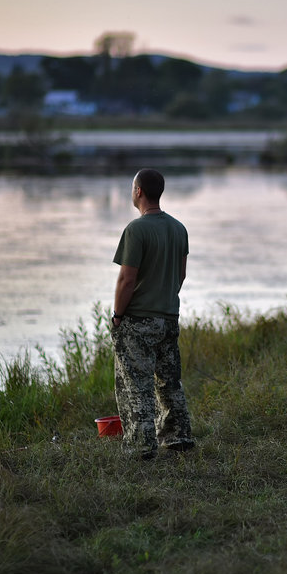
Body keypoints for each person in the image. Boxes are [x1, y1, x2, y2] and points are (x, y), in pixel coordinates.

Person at [111, 168, 193, 459]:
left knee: (136, 384)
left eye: (133, 187)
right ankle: (178, 438)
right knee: (169, 382)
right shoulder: (178, 228)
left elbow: (126, 280)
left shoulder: (136, 229)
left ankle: (141, 446)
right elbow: (180, 276)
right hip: (169, 317)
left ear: (138, 192)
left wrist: (118, 315)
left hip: (138, 320)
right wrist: (165, 301)